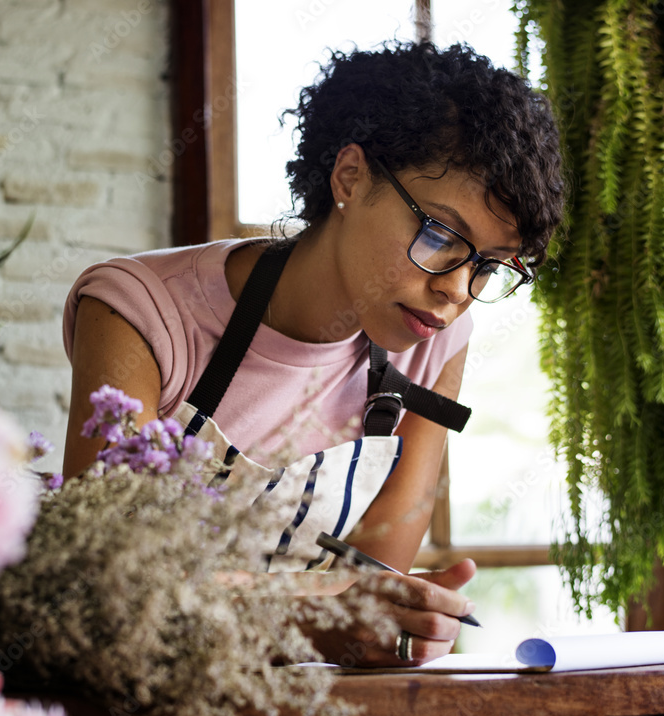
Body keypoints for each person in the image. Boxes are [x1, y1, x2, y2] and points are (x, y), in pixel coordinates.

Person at [62, 41, 564, 667]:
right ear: (350, 176)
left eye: (489, 267)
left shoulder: (437, 340)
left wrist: (381, 616)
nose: (458, 290)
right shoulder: (137, 311)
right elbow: (105, 587)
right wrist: (312, 614)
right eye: (440, 235)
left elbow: (371, 588)